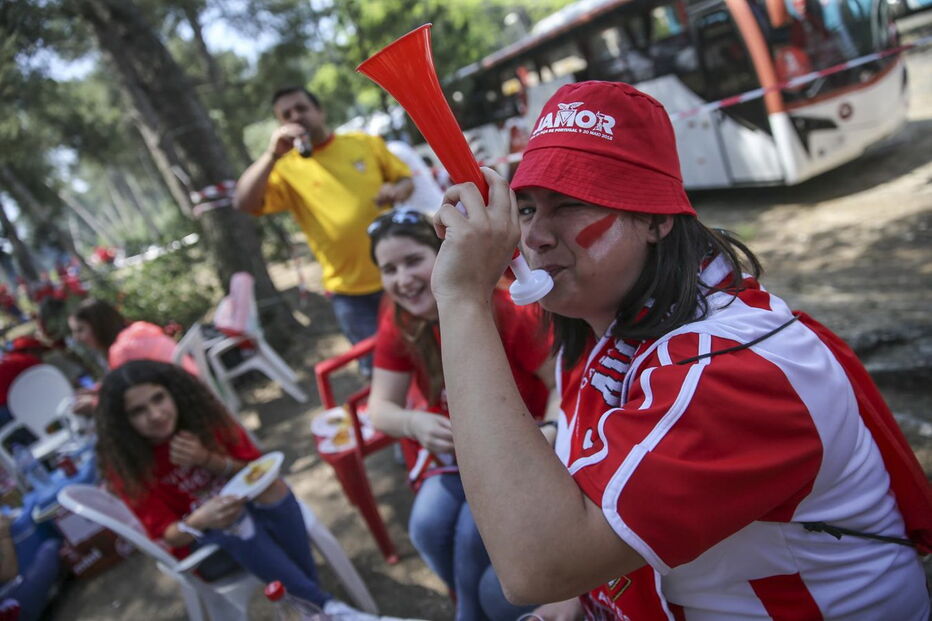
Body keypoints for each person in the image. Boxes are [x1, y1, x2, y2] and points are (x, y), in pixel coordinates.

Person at [427, 81, 931, 619]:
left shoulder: (737, 371)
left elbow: (536, 566)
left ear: (656, 219)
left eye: (571, 204)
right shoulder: (604, 327)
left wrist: (461, 299)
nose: (535, 237)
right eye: (525, 209)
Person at [365, 208, 555, 621]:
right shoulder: (398, 317)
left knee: (473, 536)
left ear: (446, 254)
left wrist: (550, 431)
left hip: (516, 453)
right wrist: (413, 422)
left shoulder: (505, 306)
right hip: (456, 457)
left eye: (413, 260)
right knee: (426, 529)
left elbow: (559, 383)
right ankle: (466, 602)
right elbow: (379, 409)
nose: (402, 279)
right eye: (389, 268)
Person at [95, 360, 391, 619]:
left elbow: (259, 470)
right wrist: (203, 518)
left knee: (273, 489)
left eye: (159, 398)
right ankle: (324, 607)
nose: (156, 414)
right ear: (124, 423)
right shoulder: (128, 466)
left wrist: (207, 460)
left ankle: (310, 607)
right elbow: (170, 535)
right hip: (208, 548)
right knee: (232, 520)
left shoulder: (203, 419)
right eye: (138, 411)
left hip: (256, 514)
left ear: (173, 392)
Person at [234, 86, 414, 374]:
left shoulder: (363, 143)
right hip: (349, 295)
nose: (296, 117)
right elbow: (243, 202)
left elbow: (406, 180)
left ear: (320, 111)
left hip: (400, 276)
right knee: (383, 371)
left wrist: (397, 190)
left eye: (302, 108)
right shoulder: (285, 168)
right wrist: (271, 154)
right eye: (286, 115)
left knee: (428, 352)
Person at [386, 141, 444, 215]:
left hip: (431, 214)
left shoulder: (394, 151)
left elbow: (402, 192)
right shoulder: (396, 147)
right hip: (433, 210)